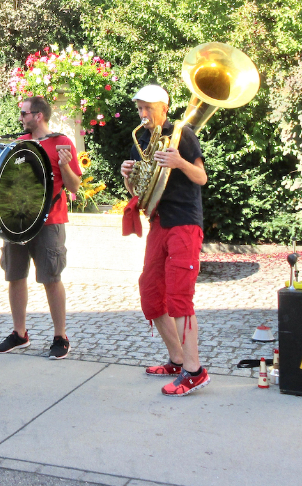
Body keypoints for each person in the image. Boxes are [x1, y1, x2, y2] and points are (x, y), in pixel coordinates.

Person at [120, 85, 209, 396]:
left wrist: (179, 162)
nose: (143, 115)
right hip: (159, 222)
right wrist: (127, 176)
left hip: (185, 222)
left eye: (148, 108)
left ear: (163, 108)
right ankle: (177, 359)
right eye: (139, 109)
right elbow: (140, 195)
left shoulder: (182, 135)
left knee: (179, 296)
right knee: (150, 290)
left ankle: (195, 371)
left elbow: (201, 178)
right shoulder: (139, 145)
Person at [0, 96, 82, 359]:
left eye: (24, 114)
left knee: (51, 278)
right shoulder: (20, 144)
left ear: (38, 115)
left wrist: (65, 164)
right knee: (15, 276)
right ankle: (19, 334)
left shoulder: (62, 142)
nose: (21, 118)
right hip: (17, 221)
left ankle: (60, 336)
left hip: (49, 221)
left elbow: (75, 186)